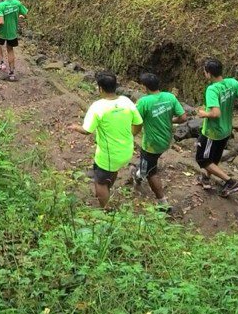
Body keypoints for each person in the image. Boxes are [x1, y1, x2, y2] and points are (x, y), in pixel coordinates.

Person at [69, 72, 142, 209]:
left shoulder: (98, 107)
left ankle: (107, 209)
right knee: (112, 171)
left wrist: (75, 127)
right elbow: (138, 123)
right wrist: (131, 134)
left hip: (109, 155)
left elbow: (87, 130)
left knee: (100, 183)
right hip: (126, 151)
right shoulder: (126, 102)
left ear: (100, 88)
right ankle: (108, 188)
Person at [195, 57, 238, 196]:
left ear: (208, 73)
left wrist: (204, 114)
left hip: (212, 132)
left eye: (205, 72)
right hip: (227, 129)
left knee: (202, 159)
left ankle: (230, 182)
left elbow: (215, 113)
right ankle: (206, 179)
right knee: (213, 159)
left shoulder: (212, 89)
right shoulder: (233, 83)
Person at [133, 72, 187, 211]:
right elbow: (183, 117)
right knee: (148, 163)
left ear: (145, 87)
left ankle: (163, 203)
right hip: (166, 140)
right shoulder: (170, 97)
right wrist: (170, 120)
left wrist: (131, 134)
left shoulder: (144, 102)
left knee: (151, 172)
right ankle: (139, 174)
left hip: (151, 144)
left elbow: (136, 122)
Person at [0, 0, 28, 82]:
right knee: (10, 50)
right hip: (12, 32)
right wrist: (20, 16)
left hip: (2, 32)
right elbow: (26, 14)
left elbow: (1, 22)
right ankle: (11, 73)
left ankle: (2, 63)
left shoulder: (0, 5)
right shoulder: (17, 3)